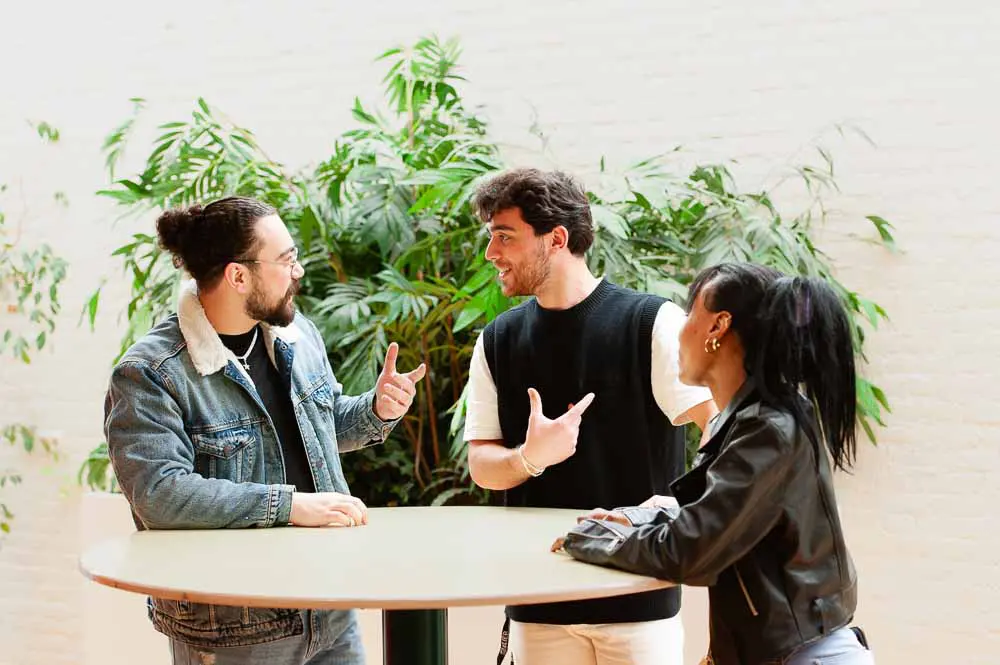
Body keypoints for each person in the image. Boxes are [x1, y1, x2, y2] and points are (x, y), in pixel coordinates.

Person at [104, 196, 426, 665]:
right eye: (286, 260)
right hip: (237, 631)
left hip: (330, 610)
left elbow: (321, 427)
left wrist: (377, 409)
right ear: (238, 275)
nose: (298, 272)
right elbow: (159, 495)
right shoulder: (150, 372)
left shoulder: (298, 333)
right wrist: (289, 505)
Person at [555, 262, 875, 665]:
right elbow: (717, 519)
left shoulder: (767, 428)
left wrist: (591, 540)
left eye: (690, 315)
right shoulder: (753, 420)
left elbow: (690, 550)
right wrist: (636, 519)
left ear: (717, 327)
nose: (681, 328)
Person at [463, 168, 716, 665]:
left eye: (504, 237)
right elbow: (482, 466)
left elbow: (720, 431)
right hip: (539, 603)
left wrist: (676, 518)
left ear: (556, 238)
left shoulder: (653, 323)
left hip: (638, 600)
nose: (491, 254)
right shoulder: (497, 340)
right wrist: (530, 457)